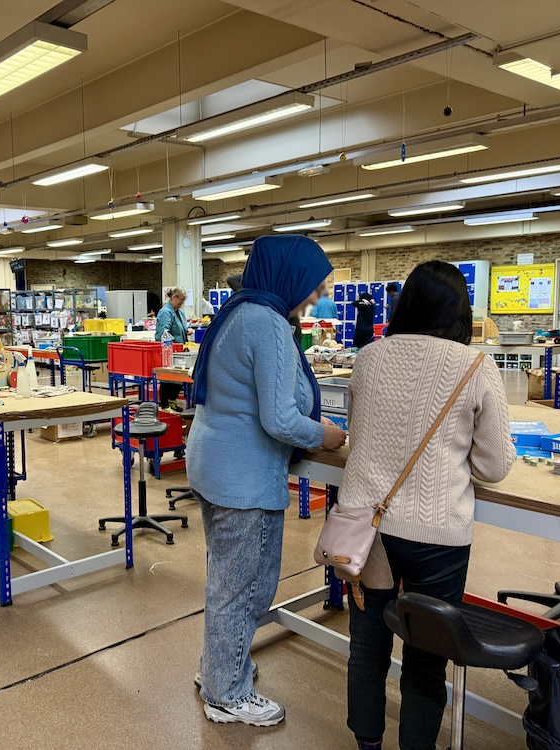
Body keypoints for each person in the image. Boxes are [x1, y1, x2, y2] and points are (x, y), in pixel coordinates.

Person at [338, 261, 515, 750]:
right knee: (425, 657)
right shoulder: (476, 365)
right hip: (436, 534)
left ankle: (367, 744)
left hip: (365, 528)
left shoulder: (368, 357)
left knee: (367, 646)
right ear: (463, 313)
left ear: (405, 304)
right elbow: (495, 465)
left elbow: (360, 434)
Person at [187, 235, 348, 728]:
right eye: (314, 287)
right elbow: (279, 420)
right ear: (290, 278)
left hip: (215, 464)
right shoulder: (269, 325)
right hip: (245, 477)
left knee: (226, 583)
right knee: (246, 590)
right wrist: (329, 435)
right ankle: (227, 693)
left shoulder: (238, 313)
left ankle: (217, 668)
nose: (317, 298)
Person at [155, 287, 192, 407]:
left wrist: (187, 331)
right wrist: (174, 343)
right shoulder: (165, 312)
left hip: (180, 350)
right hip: (169, 350)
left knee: (179, 377)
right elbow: (163, 333)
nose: (182, 303)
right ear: (174, 297)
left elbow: (180, 328)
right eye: (181, 299)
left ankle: (172, 401)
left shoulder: (180, 312)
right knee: (168, 378)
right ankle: (165, 405)